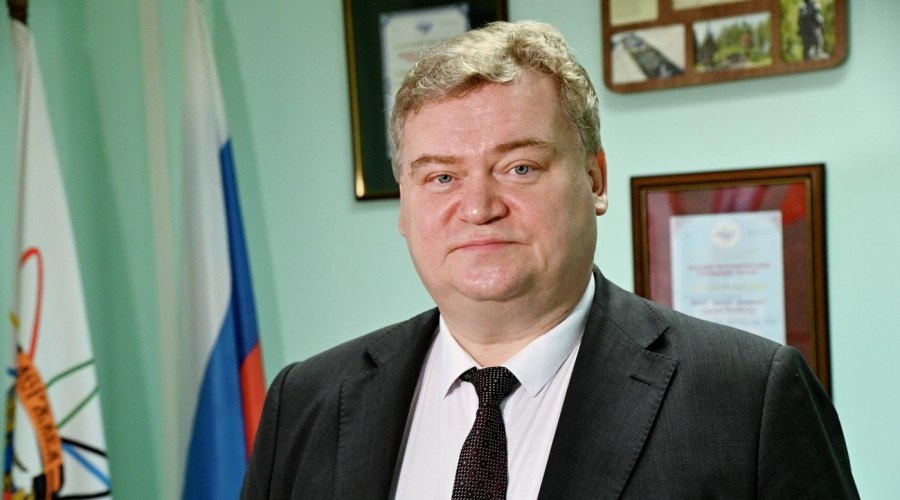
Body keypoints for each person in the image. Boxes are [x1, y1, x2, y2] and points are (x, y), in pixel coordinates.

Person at [241, 21, 857, 499]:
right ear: (404, 206)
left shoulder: (748, 399)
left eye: (520, 167)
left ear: (595, 179)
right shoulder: (307, 400)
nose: (478, 207)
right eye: (441, 177)